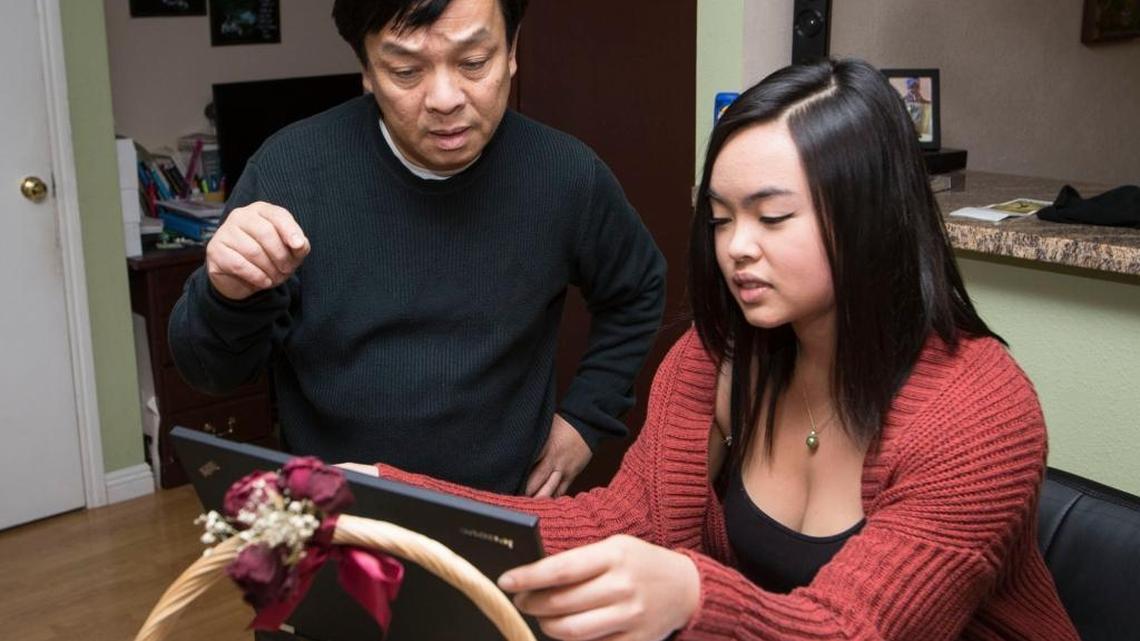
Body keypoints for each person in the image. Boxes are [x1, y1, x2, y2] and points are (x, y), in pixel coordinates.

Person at [353, 58, 1080, 640]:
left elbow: (854, 627)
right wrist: (383, 495)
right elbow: (619, 523)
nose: (736, 248)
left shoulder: (980, 414)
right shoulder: (720, 355)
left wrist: (693, 595)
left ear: (870, 219)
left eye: (772, 217)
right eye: (721, 217)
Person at [168, 0, 666, 498]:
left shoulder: (565, 175)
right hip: (338, 509)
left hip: (502, 508)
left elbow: (638, 290)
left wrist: (584, 419)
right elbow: (212, 373)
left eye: (474, 63)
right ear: (367, 69)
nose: (445, 99)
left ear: (511, 50)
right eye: (406, 71)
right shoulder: (290, 173)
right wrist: (226, 295)